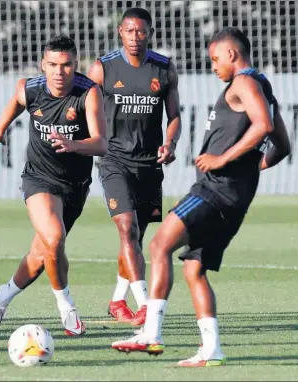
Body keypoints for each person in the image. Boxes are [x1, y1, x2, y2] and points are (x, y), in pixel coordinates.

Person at [111, 27, 291, 365]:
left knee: (158, 244)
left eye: (214, 59)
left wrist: (223, 160)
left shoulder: (244, 82)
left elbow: (264, 126)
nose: (213, 67)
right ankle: (212, 349)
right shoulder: (263, 87)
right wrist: (251, 168)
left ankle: (152, 333)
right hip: (234, 198)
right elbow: (283, 145)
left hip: (213, 191)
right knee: (194, 269)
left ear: (232, 55)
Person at [0, 35, 107, 336]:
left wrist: (72, 144)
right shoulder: (31, 88)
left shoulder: (88, 93)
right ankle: (67, 308)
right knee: (54, 236)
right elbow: (16, 102)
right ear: (43, 64)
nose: (59, 72)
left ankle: (2, 297)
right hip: (39, 178)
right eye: (52, 65)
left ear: (76, 65)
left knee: (41, 257)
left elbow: (101, 144)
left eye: (66, 65)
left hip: (75, 186)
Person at [87, 7, 181, 326]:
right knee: (127, 228)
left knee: (136, 239)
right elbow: (84, 105)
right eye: (129, 31)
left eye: (141, 31)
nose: (135, 37)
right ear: (120, 32)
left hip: (150, 164)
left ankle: (117, 300)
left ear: (150, 33)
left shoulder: (164, 69)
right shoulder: (103, 68)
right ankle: (144, 305)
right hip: (114, 161)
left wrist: (170, 143)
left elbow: (175, 116)